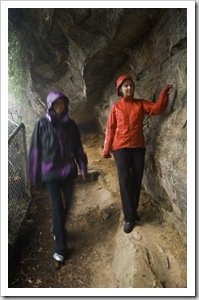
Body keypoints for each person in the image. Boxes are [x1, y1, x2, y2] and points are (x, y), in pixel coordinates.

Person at [103, 74, 173, 234]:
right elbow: (110, 128)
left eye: (131, 85)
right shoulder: (116, 108)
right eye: (125, 86)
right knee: (125, 180)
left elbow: (157, 109)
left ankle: (133, 211)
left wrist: (164, 94)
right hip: (120, 147)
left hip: (137, 147)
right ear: (120, 89)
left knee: (136, 179)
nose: (129, 88)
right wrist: (106, 148)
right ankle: (128, 217)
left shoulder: (140, 104)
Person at [28, 91, 88, 263]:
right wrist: (34, 175)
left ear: (65, 105)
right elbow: (35, 151)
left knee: (68, 202)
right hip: (50, 173)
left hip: (68, 170)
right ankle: (60, 248)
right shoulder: (41, 125)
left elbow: (78, 147)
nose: (59, 106)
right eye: (56, 104)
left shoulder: (71, 125)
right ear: (50, 105)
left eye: (62, 103)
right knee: (56, 207)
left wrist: (82, 165)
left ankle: (57, 226)